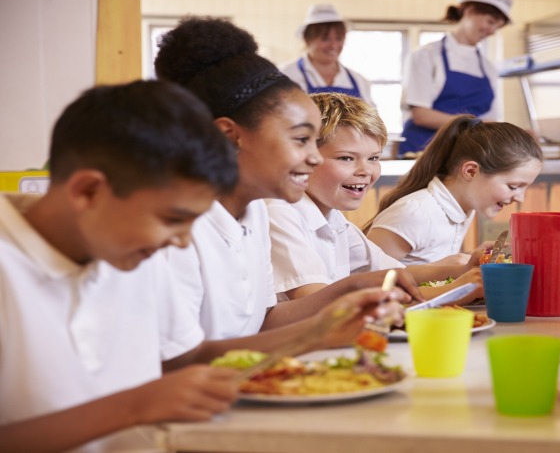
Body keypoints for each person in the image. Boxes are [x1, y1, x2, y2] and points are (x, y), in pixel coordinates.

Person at [0, 81, 399, 452]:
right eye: (172, 219)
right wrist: (134, 407)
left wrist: (317, 334)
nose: (183, 241)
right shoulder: (23, 269)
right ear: (88, 192)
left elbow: (184, 360)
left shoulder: (125, 250)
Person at [154, 17, 420, 341]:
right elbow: (181, 365)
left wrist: (353, 290)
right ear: (230, 136)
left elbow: (266, 321)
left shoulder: (254, 214)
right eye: (300, 139)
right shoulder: (178, 233)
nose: (313, 157)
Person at [267, 93, 485, 303]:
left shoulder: (334, 219)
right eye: (346, 158)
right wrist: (453, 290)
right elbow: (316, 301)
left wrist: (462, 269)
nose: (365, 170)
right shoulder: (281, 213)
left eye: (373, 158)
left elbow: (393, 273)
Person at [366, 115, 543, 265]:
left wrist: (469, 257)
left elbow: (430, 262)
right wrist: (454, 266)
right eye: (513, 186)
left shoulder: (463, 208)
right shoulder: (415, 212)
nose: (520, 198)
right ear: (471, 171)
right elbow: (366, 277)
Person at [399, 0, 512, 157]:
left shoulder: (488, 67)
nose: (492, 31)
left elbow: (491, 119)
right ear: (470, 11)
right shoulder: (426, 55)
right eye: (491, 22)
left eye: (497, 26)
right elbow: (421, 115)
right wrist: (477, 124)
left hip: (468, 154)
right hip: (424, 153)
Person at [280, 4, 373, 104]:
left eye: (339, 38)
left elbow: (371, 118)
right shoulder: (286, 76)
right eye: (325, 38)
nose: (333, 45)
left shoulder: (359, 81)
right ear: (307, 39)